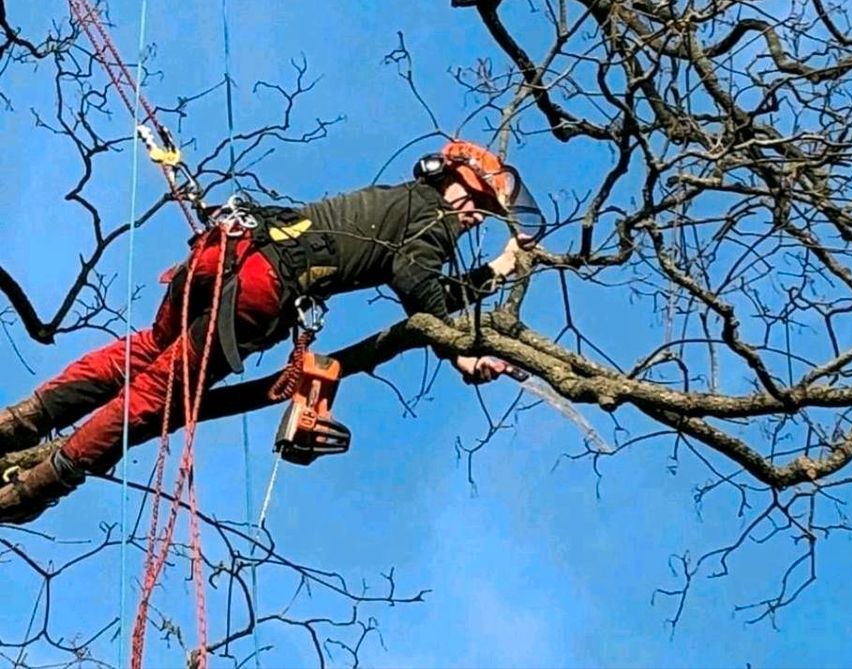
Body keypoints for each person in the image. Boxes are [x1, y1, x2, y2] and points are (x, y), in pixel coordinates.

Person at [0, 139, 545, 524]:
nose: (475, 218)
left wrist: (484, 282)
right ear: (452, 183)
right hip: (261, 287)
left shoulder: (398, 201)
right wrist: (468, 342)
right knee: (156, 395)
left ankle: (19, 424)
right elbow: (420, 291)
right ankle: (39, 485)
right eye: (476, 204)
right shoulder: (432, 218)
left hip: (226, 256)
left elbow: (423, 289)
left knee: (146, 351)